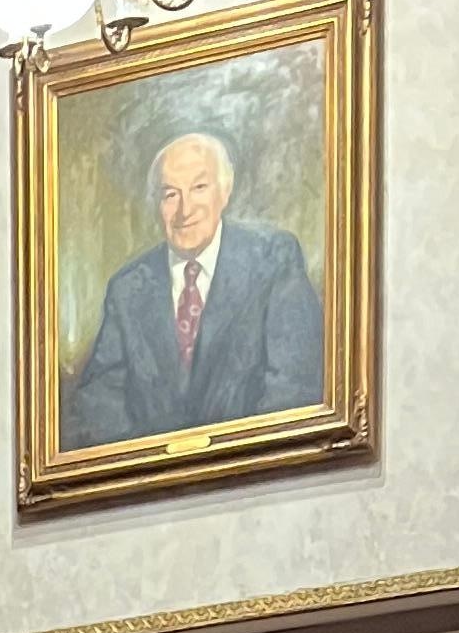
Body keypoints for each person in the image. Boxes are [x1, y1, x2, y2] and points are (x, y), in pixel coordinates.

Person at [60, 130, 326, 451]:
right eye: (170, 194)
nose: (184, 209)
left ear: (225, 192)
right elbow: (97, 404)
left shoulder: (273, 261)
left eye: (199, 188)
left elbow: (294, 387)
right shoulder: (128, 288)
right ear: (157, 204)